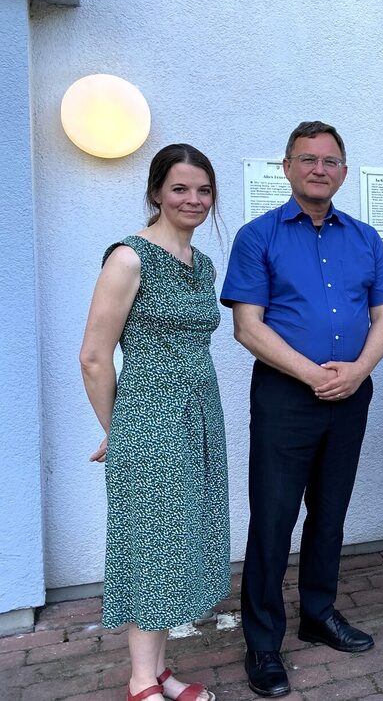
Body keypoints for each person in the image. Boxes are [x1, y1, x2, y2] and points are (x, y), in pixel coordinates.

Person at [221, 121, 383, 698]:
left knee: (330, 513)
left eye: (330, 160)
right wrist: (311, 375)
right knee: (273, 519)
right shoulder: (258, 236)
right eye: (308, 159)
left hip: (350, 395)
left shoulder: (366, 238)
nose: (319, 168)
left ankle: (319, 614)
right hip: (285, 398)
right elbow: (248, 327)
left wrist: (357, 372)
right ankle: (263, 642)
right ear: (288, 167)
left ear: (344, 172)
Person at [80, 144, 228, 701]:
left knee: (180, 542)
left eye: (203, 190)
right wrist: (120, 430)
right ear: (156, 192)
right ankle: (142, 683)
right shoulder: (129, 257)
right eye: (180, 189)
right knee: (153, 546)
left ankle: (159, 670)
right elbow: (94, 356)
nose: (193, 200)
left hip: (200, 416)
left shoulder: (203, 263)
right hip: (151, 418)